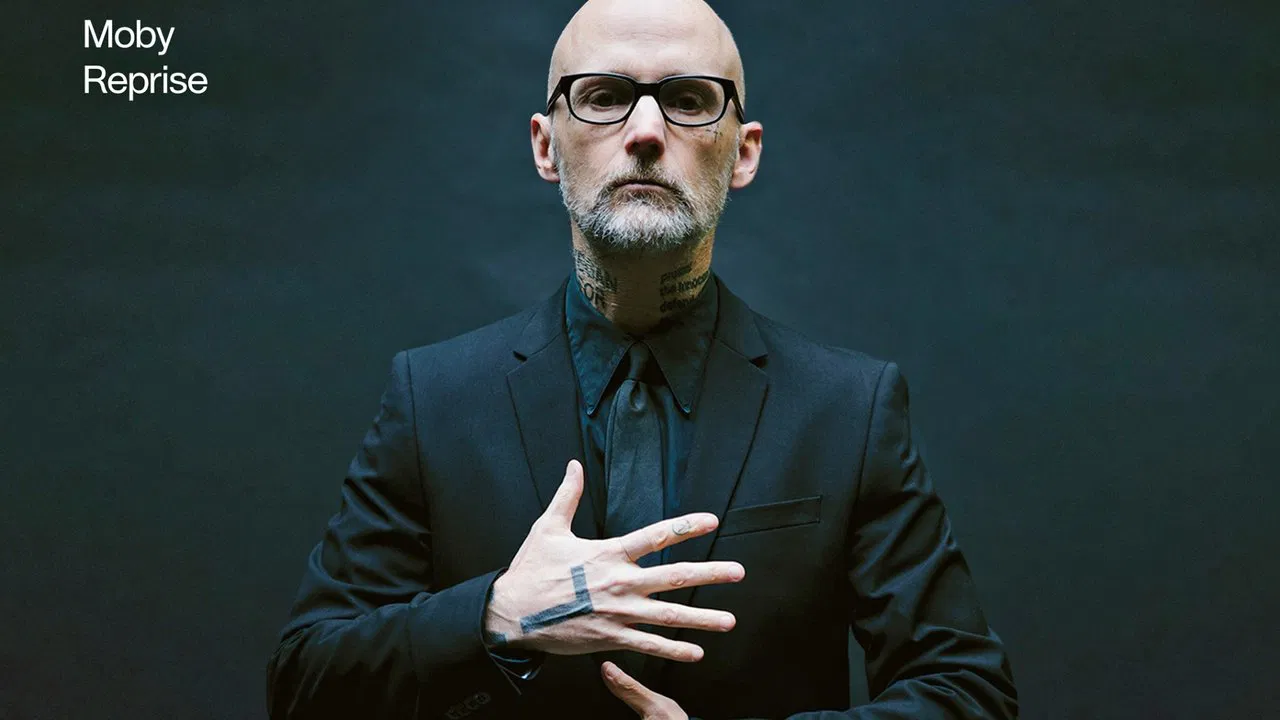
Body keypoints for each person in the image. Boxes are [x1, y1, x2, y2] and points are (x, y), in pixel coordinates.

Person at [265, 0, 1018, 718]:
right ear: (545, 146)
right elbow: (305, 684)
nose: (647, 131)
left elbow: (968, 692)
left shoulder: (849, 409)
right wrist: (497, 614)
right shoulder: (433, 399)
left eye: (689, 100)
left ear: (744, 152)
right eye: (604, 96)